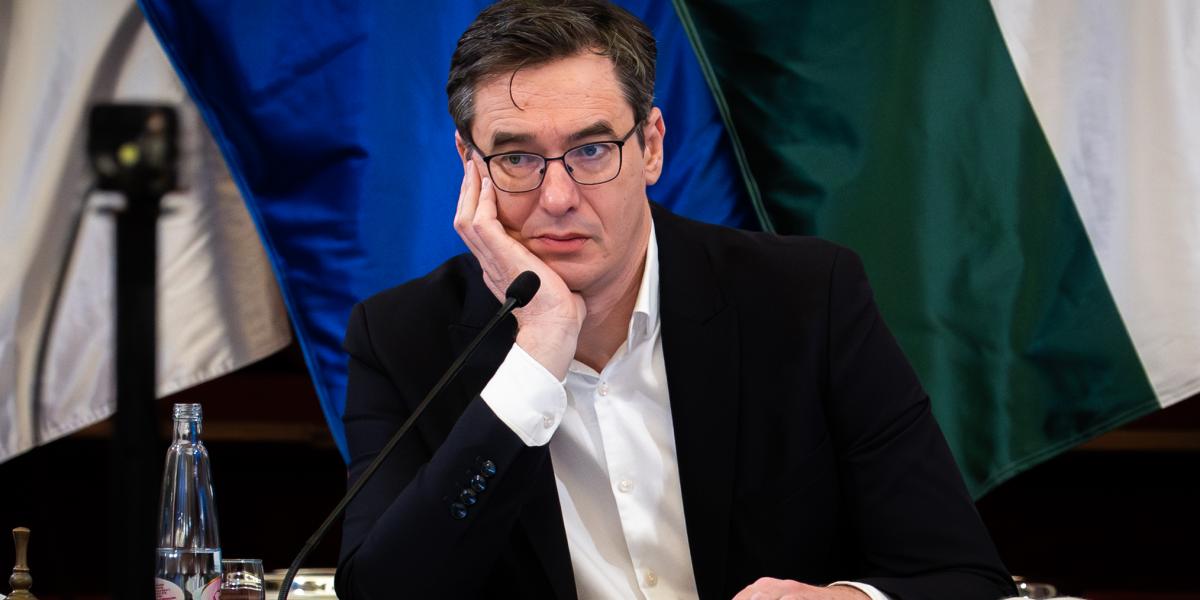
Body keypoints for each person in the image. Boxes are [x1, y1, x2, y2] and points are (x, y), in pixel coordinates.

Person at [335, 1, 1017, 599]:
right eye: (517, 159)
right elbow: (382, 590)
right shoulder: (401, 337)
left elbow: (960, 574)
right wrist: (536, 355)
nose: (558, 197)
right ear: (470, 166)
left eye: (591, 150)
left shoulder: (808, 298)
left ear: (652, 147)